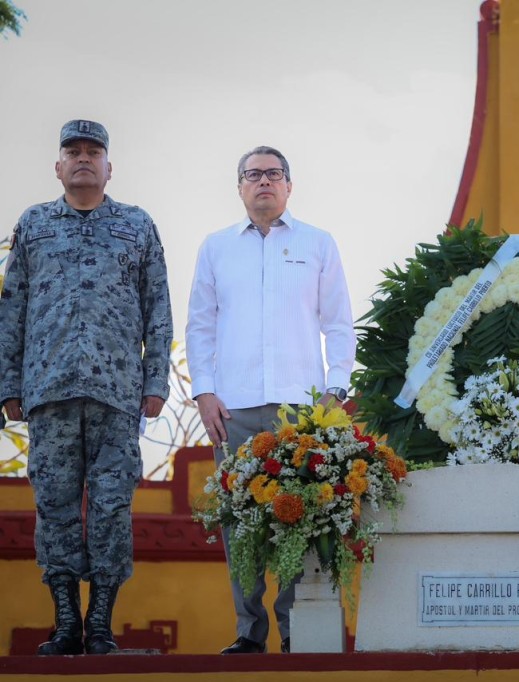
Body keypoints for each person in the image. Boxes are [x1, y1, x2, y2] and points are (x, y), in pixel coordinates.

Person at [0, 120, 172, 655]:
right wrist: (8, 383)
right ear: (58, 167)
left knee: (112, 507)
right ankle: (65, 622)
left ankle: (100, 623)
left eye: (92, 152)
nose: (82, 159)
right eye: (72, 151)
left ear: (108, 167)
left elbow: (157, 308)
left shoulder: (136, 226)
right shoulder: (34, 224)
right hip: (48, 392)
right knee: (54, 507)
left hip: (116, 395)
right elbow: (12, 309)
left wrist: (156, 380)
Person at [186, 145, 356, 654]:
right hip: (232, 408)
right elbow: (200, 325)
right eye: (253, 174)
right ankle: (249, 631)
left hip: (300, 409)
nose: (264, 181)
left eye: (274, 174)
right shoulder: (216, 247)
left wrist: (336, 389)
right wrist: (204, 392)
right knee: (240, 521)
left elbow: (339, 323)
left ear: (289, 185)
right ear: (239, 186)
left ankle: (295, 631)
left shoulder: (317, 243)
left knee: (298, 516)